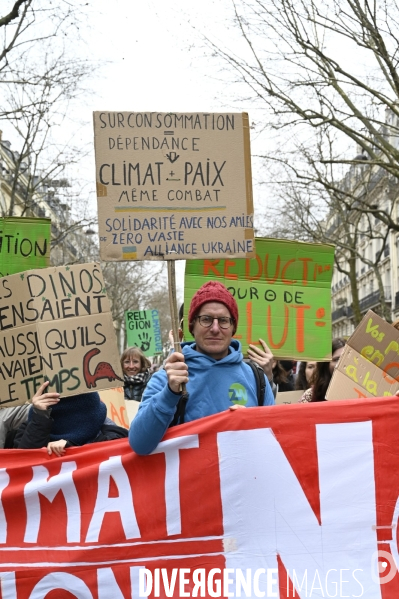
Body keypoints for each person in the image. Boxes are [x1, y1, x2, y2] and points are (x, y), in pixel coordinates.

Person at [129, 280, 275, 455]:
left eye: (223, 321)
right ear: (191, 326)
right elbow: (139, 444)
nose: (215, 328)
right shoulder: (167, 378)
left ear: (233, 327)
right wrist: (169, 394)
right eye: (206, 319)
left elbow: (273, 445)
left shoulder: (256, 378)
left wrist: (250, 423)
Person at [14, 381, 128, 455]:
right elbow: (22, 465)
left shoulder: (110, 435)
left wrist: (71, 449)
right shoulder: (30, 427)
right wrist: (39, 418)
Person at [299, 338, 346, 403]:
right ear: (326, 364)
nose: (342, 363)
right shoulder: (311, 395)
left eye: (345, 358)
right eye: (336, 359)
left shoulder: (361, 391)